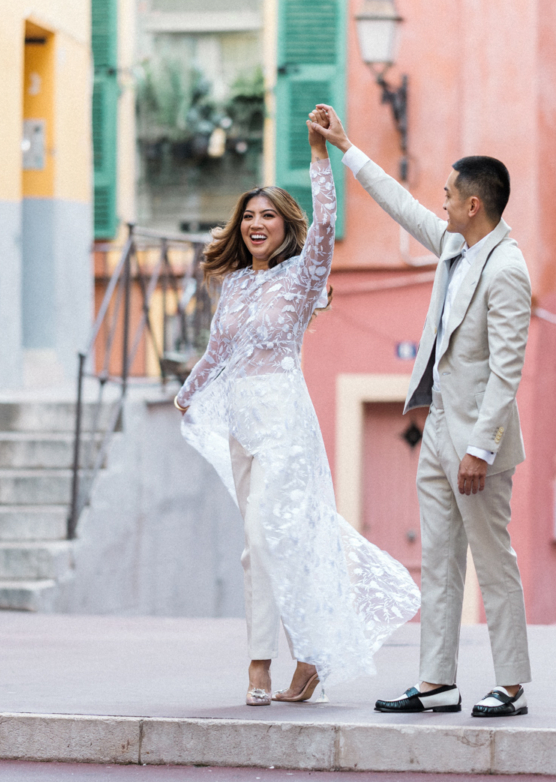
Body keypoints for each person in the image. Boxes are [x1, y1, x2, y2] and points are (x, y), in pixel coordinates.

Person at [175, 107, 420, 707]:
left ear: (286, 227)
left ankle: (260, 667)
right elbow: (217, 352)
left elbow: (329, 219)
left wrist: (320, 154)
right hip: (240, 424)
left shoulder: (305, 277)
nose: (257, 224)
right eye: (249, 217)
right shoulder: (232, 285)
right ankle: (307, 659)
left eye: (268, 217)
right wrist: (188, 393)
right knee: (269, 542)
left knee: (261, 537)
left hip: (285, 421)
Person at [307, 105, 533, 718]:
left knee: (493, 560)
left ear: (474, 205)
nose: (441, 204)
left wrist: (480, 449)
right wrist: (346, 147)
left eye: (449, 196)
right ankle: (438, 682)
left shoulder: (507, 269)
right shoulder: (456, 246)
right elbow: (401, 205)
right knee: (439, 562)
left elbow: (506, 371)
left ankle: (510, 684)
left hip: (475, 445)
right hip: (436, 431)